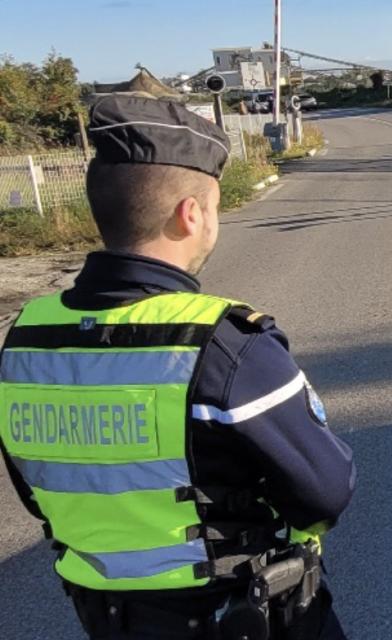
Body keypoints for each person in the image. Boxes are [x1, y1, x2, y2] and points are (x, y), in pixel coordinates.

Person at [0, 96, 355, 639]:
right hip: (242, 615)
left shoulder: (25, 337)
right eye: (211, 208)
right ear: (191, 214)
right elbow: (325, 492)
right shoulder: (224, 343)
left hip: (106, 616)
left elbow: (36, 488)